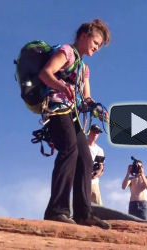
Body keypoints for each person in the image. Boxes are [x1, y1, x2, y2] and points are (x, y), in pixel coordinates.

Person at [38, 19, 111, 229]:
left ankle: (84, 213)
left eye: (100, 45)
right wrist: (61, 85)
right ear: (84, 36)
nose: (97, 47)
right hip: (57, 108)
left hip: (74, 115)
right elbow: (46, 73)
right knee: (69, 149)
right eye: (96, 42)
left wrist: (96, 108)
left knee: (86, 158)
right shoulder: (67, 52)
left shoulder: (85, 69)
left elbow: (86, 98)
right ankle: (57, 210)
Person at [88, 124, 104, 206]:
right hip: (81, 180)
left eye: (97, 133)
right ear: (89, 132)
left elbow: (101, 168)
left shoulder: (99, 150)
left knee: (98, 206)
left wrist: (95, 175)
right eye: (94, 131)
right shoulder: (81, 145)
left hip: (93, 182)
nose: (95, 134)